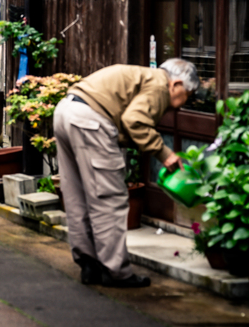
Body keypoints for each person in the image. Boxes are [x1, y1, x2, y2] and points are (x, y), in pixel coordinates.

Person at [54, 58, 199, 288]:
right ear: (177, 84)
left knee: (76, 195)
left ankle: (89, 264)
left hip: (65, 112)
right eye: (187, 95)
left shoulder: (142, 76)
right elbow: (135, 121)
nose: (181, 104)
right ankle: (115, 271)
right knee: (109, 199)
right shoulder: (160, 84)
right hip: (91, 120)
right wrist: (166, 154)